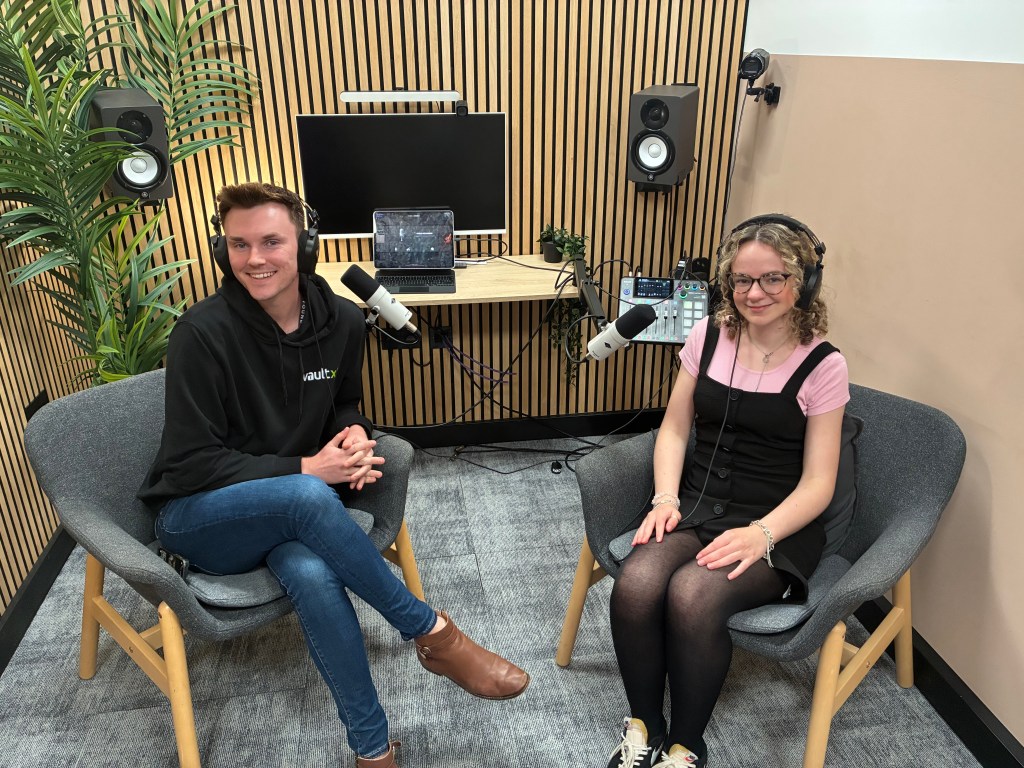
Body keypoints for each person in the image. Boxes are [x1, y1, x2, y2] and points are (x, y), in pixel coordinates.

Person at [138, 182, 529, 768]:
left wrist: (352, 431)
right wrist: (308, 467)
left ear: (305, 245)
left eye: (271, 241)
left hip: (291, 516)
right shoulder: (202, 334)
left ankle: (372, 749)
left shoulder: (343, 321)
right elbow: (192, 462)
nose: (254, 259)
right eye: (239, 245)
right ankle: (433, 634)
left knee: (311, 567)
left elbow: (344, 400)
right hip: (200, 514)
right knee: (303, 493)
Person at [603, 216, 849, 768]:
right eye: (741, 280)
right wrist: (665, 498)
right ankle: (643, 726)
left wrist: (759, 534)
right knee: (636, 585)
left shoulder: (824, 365)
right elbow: (673, 429)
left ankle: (687, 746)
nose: (754, 293)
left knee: (692, 596)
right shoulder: (707, 336)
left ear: (802, 282)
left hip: (774, 526)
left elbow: (820, 482)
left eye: (771, 279)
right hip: (695, 503)